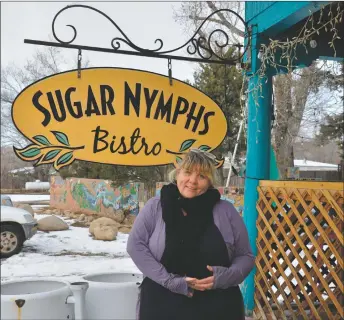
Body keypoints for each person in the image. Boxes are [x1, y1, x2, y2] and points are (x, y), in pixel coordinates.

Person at [127, 149, 255, 320]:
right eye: (187, 172)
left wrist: (223, 278)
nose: (192, 181)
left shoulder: (226, 211)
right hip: (161, 303)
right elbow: (136, 246)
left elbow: (245, 256)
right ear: (177, 173)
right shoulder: (155, 207)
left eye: (202, 176)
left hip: (217, 306)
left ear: (210, 181)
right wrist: (169, 281)